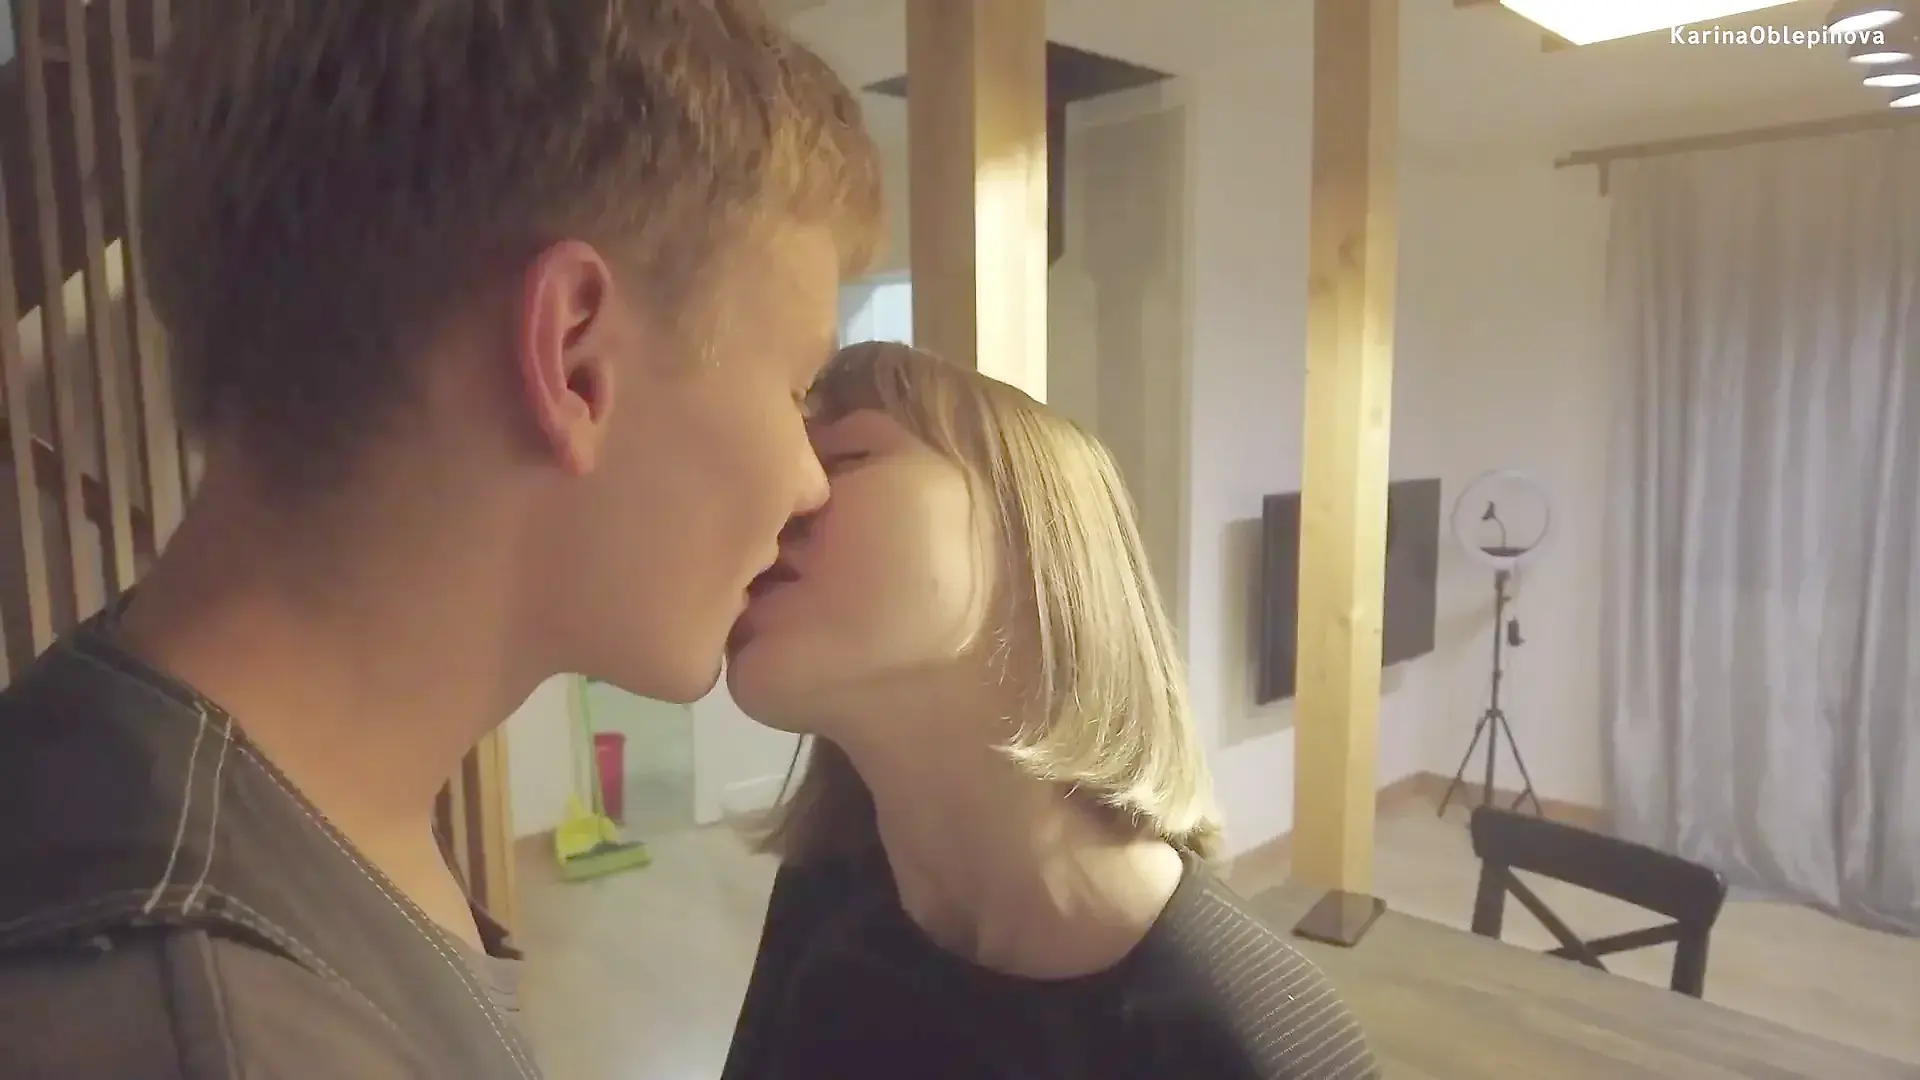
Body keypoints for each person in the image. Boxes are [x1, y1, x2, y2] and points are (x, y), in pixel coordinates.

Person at [0, 2, 881, 1077]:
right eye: (795, 388)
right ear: (574, 360)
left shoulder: (223, 781)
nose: (807, 481)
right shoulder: (223, 1032)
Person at [718, 341, 1381, 1079]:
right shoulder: (823, 895)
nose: (776, 500)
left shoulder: (1268, 1044)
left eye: (846, 458)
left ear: (1037, 548)